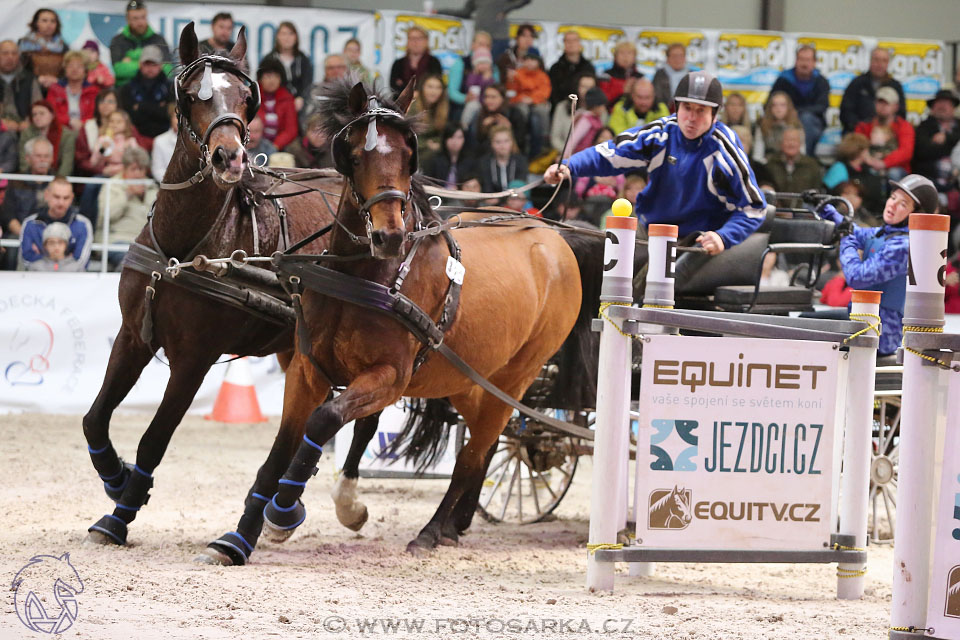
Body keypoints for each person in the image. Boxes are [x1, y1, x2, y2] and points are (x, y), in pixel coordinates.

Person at [545, 70, 767, 286]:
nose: (691, 118)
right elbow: (612, 153)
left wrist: (723, 237)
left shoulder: (724, 149)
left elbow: (754, 208)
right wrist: (568, 166)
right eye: (686, 108)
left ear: (715, 114)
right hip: (649, 228)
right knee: (606, 270)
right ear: (677, 107)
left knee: (650, 286)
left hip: (696, 241)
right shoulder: (661, 133)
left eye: (701, 111)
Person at [820, 174, 938, 355]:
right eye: (893, 197)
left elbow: (856, 277)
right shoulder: (886, 233)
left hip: (880, 335)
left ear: (915, 215)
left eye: (903, 204)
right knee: (806, 319)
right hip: (862, 321)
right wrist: (830, 211)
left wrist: (845, 240)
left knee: (810, 333)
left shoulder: (903, 246)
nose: (892, 205)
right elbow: (857, 232)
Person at [97, 146, 156, 268]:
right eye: (133, 169)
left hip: (145, 244)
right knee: (132, 262)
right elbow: (105, 216)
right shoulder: (111, 186)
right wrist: (127, 195)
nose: (138, 174)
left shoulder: (153, 188)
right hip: (116, 240)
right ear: (124, 169)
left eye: (141, 169)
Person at [19, 176, 92, 270]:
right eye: (56, 197)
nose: (61, 203)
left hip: (72, 281)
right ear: (46, 195)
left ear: (72, 198)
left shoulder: (83, 224)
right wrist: (62, 261)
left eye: (66, 198)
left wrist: (43, 259)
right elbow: (26, 259)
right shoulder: (31, 223)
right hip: (36, 280)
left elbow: (80, 263)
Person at [769, 45, 830, 156]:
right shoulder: (784, 79)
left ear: (814, 62)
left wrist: (798, 112)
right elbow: (770, 102)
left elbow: (822, 106)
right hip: (785, 120)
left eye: (808, 60)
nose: (804, 64)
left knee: (806, 119)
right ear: (796, 61)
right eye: (801, 59)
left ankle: (805, 158)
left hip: (812, 123)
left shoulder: (821, 82)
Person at [839, 47, 906, 134]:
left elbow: (901, 115)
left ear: (888, 63)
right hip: (858, 131)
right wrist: (861, 128)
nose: (880, 64)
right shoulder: (857, 83)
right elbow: (846, 112)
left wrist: (885, 130)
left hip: (887, 133)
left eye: (884, 61)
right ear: (870, 61)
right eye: (876, 60)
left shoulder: (895, 86)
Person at [913, 89, 960, 209]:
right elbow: (922, 152)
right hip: (930, 181)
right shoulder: (924, 127)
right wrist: (950, 144)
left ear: (953, 107)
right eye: (939, 102)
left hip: (955, 182)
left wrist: (946, 138)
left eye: (946, 103)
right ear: (932, 107)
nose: (942, 106)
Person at [854, 86, 913, 180]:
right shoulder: (864, 125)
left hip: (895, 168)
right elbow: (857, 146)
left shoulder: (904, 126)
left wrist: (884, 163)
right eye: (880, 102)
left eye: (887, 103)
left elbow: (905, 152)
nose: (883, 106)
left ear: (896, 106)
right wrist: (868, 160)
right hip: (869, 164)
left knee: (894, 173)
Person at [1, 137, 53, 244]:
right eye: (38, 156)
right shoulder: (16, 181)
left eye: (46, 156)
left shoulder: (58, 183)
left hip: (52, 236)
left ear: (52, 158)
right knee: (12, 246)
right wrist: (26, 235)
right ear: (27, 158)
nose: (43, 160)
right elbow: (8, 215)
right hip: (19, 234)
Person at [439, 0, 531, 60]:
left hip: (498, 39)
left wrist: (506, 10)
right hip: (481, 39)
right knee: (477, 65)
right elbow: (464, 12)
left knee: (493, 68)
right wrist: (440, 12)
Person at [109, 0, 172, 87]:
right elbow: (119, 70)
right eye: (135, 18)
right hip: (125, 93)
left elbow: (168, 69)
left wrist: (132, 61)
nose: (140, 22)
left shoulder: (158, 39)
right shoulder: (118, 40)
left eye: (143, 17)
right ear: (127, 19)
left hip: (155, 92)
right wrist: (152, 64)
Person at [119, 44, 173, 140]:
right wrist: (158, 108)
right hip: (134, 138)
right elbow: (129, 118)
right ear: (140, 64)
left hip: (166, 138)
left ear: (160, 65)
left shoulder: (171, 88)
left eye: (154, 64)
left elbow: (170, 115)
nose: (150, 68)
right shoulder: (127, 89)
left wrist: (140, 106)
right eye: (147, 64)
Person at [260, 22, 313, 112]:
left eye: (291, 34)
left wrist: (301, 98)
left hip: (299, 103)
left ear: (296, 37)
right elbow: (263, 84)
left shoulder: (303, 59)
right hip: (275, 102)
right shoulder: (269, 59)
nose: (287, 38)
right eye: (283, 34)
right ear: (277, 37)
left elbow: (307, 84)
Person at [506, 52, 550, 160]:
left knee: (541, 111)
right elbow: (511, 93)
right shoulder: (517, 73)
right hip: (521, 101)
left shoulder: (542, 76)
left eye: (532, 60)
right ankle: (522, 135)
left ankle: (544, 138)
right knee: (521, 110)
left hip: (536, 102)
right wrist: (511, 81)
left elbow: (544, 92)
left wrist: (532, 99)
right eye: (527, 60)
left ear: (538, 63)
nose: (529, 62)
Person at [448, 32, 499, 122]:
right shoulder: (461, 63)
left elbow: (498, 90)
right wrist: (465, 98)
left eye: (487, 45)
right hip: (462, 106)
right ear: (472, 45)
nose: (483, 47)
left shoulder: (493, 67)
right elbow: (452, 92)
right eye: (480, 44)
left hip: (488, 106)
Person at [18, 100, 75, 177]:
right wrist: (29, 178)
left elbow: (67, 164)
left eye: (42, 113)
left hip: (57, 176)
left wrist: (58, 181)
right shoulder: (27, 133)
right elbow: (24, 160)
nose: (37, 117)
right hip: (31, 177)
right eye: (34, 114)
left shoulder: (66, 135)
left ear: (52, 115)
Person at [46, 51, 100, 130]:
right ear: (65, 70)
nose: (74, 69)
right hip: (60, 129)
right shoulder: (55, 89)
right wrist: (69, 121)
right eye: (70, 66)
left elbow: (95, 115)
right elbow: (51, 112)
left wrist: (83, 124)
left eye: (79, 66)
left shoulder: (93, 91)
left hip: (86, 130)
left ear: (85, 71)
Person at [766, 127, 823, 196]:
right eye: (787, 140)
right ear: (781, 143)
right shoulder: (771, 164)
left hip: (804, 205)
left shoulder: (812, 165)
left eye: (794, 140)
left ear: (800, 143)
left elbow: (817, 193)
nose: (791, 143)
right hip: (777, 205)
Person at [0, 40, 43, 133]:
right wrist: (2, 124)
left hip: (24, 126)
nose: (10, 57)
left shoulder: (29, 79)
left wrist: (30, 121)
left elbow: (39, 105)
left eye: (14, 54)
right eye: (5, 53)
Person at [255, 58, 298, 151]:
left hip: (278, 146)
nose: (272, 81)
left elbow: (291, 130)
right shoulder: (252, 96)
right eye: (268, 76)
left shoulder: (287, 98)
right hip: (255, 144)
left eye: (276, 76)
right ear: (260, 79)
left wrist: (275, 146)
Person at [17, 8, 65, 91]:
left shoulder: (63, 46)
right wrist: (37, 78)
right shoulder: (24, 44)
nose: (49, 24)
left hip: (58, 90)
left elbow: (69, 70)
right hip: (29, 89)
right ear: (36, 23)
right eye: (44, 20)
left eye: (53, 21)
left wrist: (58, 80)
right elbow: (18, 69)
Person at [550, 72, 596, 153]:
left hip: (589, 156)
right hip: (564, 155)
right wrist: (569, 154)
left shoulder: (600, 111)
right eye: (583, 86)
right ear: (577, 87)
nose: (587, 91)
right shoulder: (562, 107)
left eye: (591, 88)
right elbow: (555, 138)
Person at [389, 27, 442, 96]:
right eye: (412, 38)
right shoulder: (398, 63)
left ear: (426, 41)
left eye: (419, 38)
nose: (415, 42)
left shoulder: (434, 63)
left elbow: (436, 86)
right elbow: (393, 87)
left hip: (426, 104)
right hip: (401, 104)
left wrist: (418, 95)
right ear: (407, 41)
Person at [423, 123, 477, 189]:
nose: (455, 141)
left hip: (462, 196)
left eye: (459, 137)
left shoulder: (470, 160)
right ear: (445, 139)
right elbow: (427, 182)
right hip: (438, 195)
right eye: (451, 137)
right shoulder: (434, 159)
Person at [549, 30, 595, 107]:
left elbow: (592, 90)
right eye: (568, 41)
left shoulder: (588, 68)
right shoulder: (555, 68)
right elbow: (553, 93)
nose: (571, 44)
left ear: (580, 44)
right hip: (562, 107)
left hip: (584, 106)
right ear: (564, 44)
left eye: (574, 40)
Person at [755, 90, 803, 163]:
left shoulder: (797, 126)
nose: (778, 109)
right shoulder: (762, 126)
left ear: (788, 107)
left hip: (791, 165)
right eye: (774, 105)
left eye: (782, 105)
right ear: (770, 108)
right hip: (768, 165)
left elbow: (802, 153)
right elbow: (758, 155)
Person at [410, 74, 449, 162]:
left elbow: (442, 134)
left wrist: (438, 143)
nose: (434, 91)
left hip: (434, 149)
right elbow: (408, 136)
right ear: (422, 88)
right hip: (415, 150)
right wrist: (427, 144)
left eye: (438, 88)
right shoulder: (413, 108)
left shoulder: (442, 108)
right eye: (430, 87)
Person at [478, 125, 528, 193]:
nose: (502, 146)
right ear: (491, 144)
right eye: (498, 142)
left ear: (512, 142)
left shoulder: (521, 161)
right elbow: (487, 187)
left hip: (515, 200)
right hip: (492, 199)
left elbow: (520, 185)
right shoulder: (484, 162)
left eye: (506, 141)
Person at [458, 46, 497, 129]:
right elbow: (469, 85)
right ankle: (464, 124)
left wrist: (486, 80)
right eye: (480, 63)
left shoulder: (491, 78)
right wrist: (476, 75)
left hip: (487, 103)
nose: (483, 66)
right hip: (475, 101)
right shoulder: (472, 75)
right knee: (471, 106)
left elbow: (491, 89)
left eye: (485, 63)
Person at [598, 41, 644, 106]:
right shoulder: (606, 75)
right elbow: (602, 100)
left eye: (629, 53)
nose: (626, 56)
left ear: (634, 57)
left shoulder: (640, 77)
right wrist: (622, 90)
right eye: (622, 53)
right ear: (615, 56)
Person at [568, 87, 608, 156]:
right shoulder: (586, 120)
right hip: (580, 155)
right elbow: (573, 140)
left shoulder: (596, 120)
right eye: (602, 106)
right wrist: (566, 157)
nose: (604, 109)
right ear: (596, 106)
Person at [652, 43, 688, 109]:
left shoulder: (691, 75)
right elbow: (656, 97)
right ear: (667, 58)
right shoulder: (660, 75)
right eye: (674, 56)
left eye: (680, 56)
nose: (677, 59)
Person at [150, 103, 177, 180]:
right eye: (176, 116)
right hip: (168, 185)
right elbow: (157, 170)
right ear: (171, 118)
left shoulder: (197, 140)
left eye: (183, 117)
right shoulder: (160, 141)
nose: (180, 120)